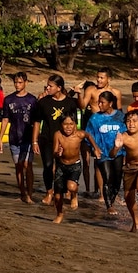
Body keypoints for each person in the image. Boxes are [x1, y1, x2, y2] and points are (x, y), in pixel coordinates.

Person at [32, 74, 81, 205]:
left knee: (63, 167)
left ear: (59, 88)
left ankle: (63, 191)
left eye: (50, 86)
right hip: (47, 139)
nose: (47, 88)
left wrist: (75, 141)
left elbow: (74, 124)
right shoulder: (43, 102)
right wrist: (34, 141)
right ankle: (49, 192)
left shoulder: (70, 103)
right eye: (47, 85)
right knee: (48, 166)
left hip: (65, 140)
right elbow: (37, 122)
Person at [0, 71, 38, 203]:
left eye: (20, 82)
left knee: (27, 164)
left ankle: (30, 193)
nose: (17, 85)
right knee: (18, 166)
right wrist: (0, 139)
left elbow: (36, 121)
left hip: (28, 138)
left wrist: (36, 140)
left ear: (25, 83)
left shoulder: (32, 100)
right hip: (14, 137)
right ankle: (22, 192)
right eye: (15, 82)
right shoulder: (8, 100)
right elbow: (5, 120)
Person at [83, 90, 126, 214]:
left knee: (117, 179)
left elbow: (126, 133)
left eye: (102, 103)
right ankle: (109, 206)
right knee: (107, 178)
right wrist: (94, 148)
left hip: (118, 152)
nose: (99, 105)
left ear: (110, 103)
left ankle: (111, 199)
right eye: (98, 102)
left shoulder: (120, 116)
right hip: (102, 153)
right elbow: (88, 135)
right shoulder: (95, 118)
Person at [50, 114, 84, 223]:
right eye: (65, 124)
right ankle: (59, 214)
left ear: (75, 125)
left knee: (72, 186)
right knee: (58, 196)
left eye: (71, 124)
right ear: (61, 125)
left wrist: (96, 148)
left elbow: (88, 136)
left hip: (75, 165)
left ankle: (74, 195)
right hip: (61, 166)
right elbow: (54, 152)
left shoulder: (79, 134)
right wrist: (58, 153)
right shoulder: (58, 135)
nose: (68, 127)